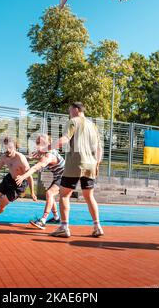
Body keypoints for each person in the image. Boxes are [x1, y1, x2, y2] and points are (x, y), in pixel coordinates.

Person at [48, 102, 103, 238]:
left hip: (76, 163)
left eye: (70, 110)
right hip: (91, 164)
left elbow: (65, 139)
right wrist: (97, 163)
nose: (69, 112)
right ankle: (97, 226)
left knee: (64, 195)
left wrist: (46, 148)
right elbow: (99, 149)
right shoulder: (93, 126)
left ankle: (64, 227)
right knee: (89, 196)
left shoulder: (72, 121)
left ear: (77, 109)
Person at [15, 134, 64, 230]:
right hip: (59, 176)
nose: (39, 145)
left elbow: (35, 167)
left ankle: (43, 221)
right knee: (50, 194)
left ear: (49, 143)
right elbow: (30, 158)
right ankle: (56, 217)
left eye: (42, 143)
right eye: (38, 142)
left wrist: (23, 176)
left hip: (66, 177)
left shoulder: (49, 156)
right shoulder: (43, 152)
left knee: (49, 193)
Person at [0, 137, 37, 224]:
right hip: (9, 178)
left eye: (10, 147)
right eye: (5, 147)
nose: (7, 150)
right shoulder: (4, 157)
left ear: (15, 147)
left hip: (20, 183)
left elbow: (29, 176)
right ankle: (2, 203)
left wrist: (32, 192)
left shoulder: (20, 158)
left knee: (3, 203)